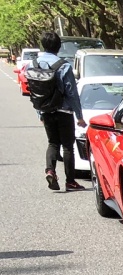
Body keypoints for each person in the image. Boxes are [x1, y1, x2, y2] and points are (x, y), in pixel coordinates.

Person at [28, 30, 84, 192]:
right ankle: (70, 181)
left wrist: (40, 112)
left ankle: (50, 170)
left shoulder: (33, 64)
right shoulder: (64, 65)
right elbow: (71, 93)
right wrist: (79, 116)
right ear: (59, 47)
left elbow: (35, 91)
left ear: (43, 46)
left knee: (53, 143)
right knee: (67, 146)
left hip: (46, 110)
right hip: (64, 111)